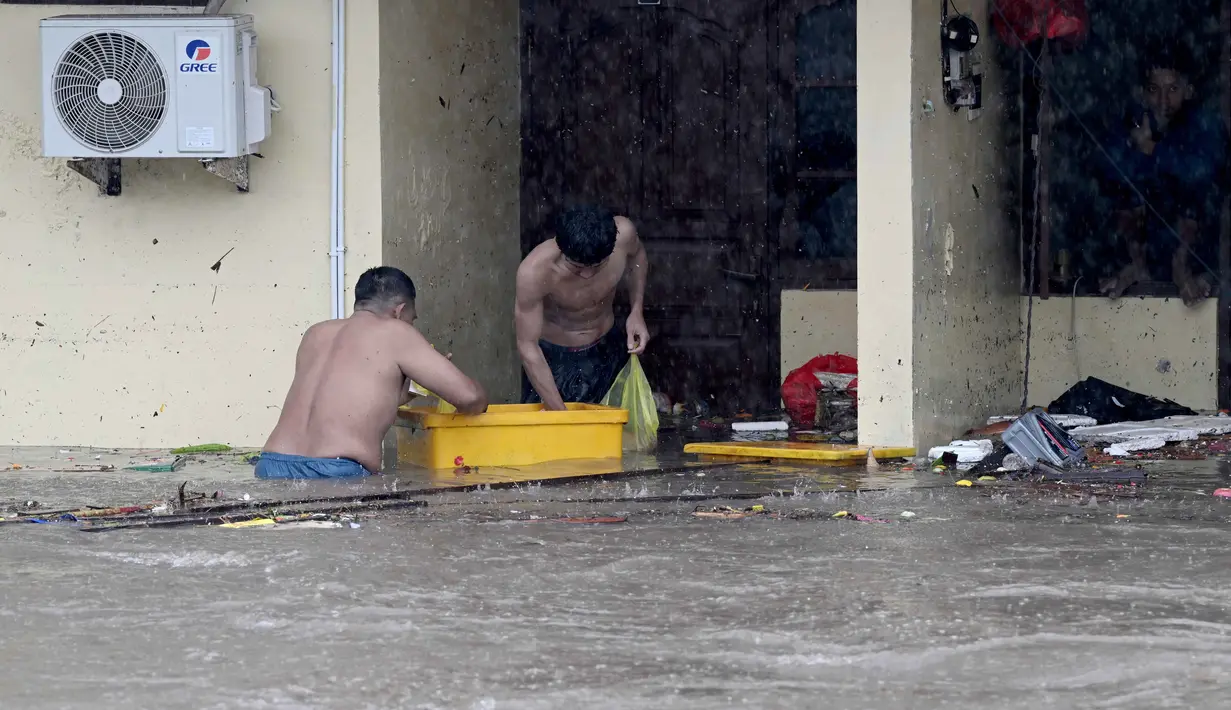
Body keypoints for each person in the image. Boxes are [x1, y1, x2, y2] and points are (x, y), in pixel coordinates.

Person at [256, 266, 488, 479]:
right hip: (335, 472)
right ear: (400, 311)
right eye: (412, 319)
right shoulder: (395, 331)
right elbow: (471, 399)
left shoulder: (315, 334)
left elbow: (340, 405)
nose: (411, 326)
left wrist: (408, 392)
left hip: (271, 465)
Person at [1099, 46, 1225, 305]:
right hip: (1147, 245)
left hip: (1193, 250)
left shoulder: (1205, 123)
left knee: (1195, 195)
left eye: (1173, 89)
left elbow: (1204, 172)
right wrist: (1140, 152)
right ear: (1144, 92)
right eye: (1155, 90)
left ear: (1189, 90)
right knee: (1124, 195)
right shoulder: (1133, 122)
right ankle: (1136, 266)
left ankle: (1182, 267)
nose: (1164, 101)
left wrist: (1154, 151)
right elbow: (1109, 169)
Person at [516, 205, 649, 411]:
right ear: (562, 249)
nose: (587, 275)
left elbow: (637, 256)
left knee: (615, 433)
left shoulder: (624, 236)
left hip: (607, 346)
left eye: (597, 267)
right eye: (576, 268)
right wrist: (558, 411)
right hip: (555, 360)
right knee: (554, 439)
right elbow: (527, 345)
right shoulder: (535, 271)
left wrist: (636, 311)